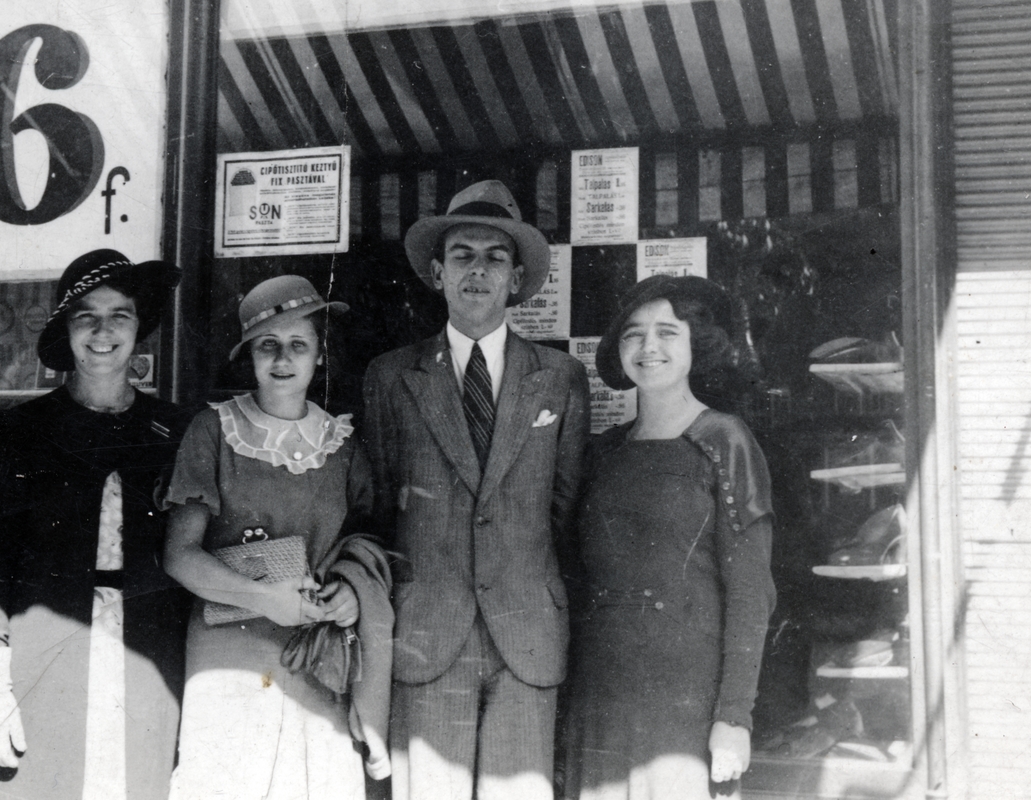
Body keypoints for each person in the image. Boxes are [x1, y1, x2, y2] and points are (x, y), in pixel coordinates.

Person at [359, 180, 590, 800]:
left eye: (495, 257)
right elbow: (380, 504)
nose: (478, 270)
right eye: (463, 254)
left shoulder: (561, 378)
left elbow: (565, 508)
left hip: (528, 634)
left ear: (517, 278)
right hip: (429, 633)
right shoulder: (391, 376)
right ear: (437, 272)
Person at [0, 249, 193, 800]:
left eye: (121, 314)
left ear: (140, 330)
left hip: (149, 660)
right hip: (45, 657)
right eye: (85, 315)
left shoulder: (177, 430)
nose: (103, 330)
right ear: (65, 331)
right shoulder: (17, 431)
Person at [163, 275, 391, 799]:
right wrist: (265, 596)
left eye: (298, 344)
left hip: (314, 649)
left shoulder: (343, 444)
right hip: (230, 649)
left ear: (318, 355)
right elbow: (179, 555)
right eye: (268, 345)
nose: (283, 358)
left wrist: (353, 594)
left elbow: (366, 545)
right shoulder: (214, 430)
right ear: (250, 356)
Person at [558, 275, 776, 800]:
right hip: (600, 689)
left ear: (696, 345)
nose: (648, 347)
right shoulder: (602, 452)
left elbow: (751, 594)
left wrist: (734, 717)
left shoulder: (725, 440)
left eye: (667, 332)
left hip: (686, 697)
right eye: (633, 334)